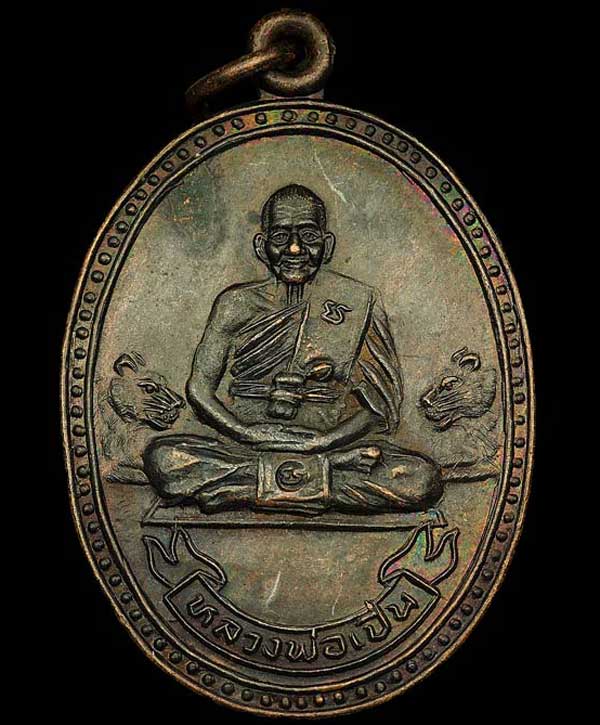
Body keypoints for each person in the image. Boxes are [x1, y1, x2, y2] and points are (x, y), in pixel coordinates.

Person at [143, 184, 442, 514]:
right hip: (246, 445)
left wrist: (323, 442)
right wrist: (246, 433)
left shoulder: (359, 302)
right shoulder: (235, 304)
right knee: (165, 460)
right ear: (262, 246)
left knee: (420, 479)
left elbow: (380, 407)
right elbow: (199, 390)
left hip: (329, 444)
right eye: (281, 237)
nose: (295, 249)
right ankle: (321, 479)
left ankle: (249, 485)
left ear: (327, 246)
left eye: (309, 236)